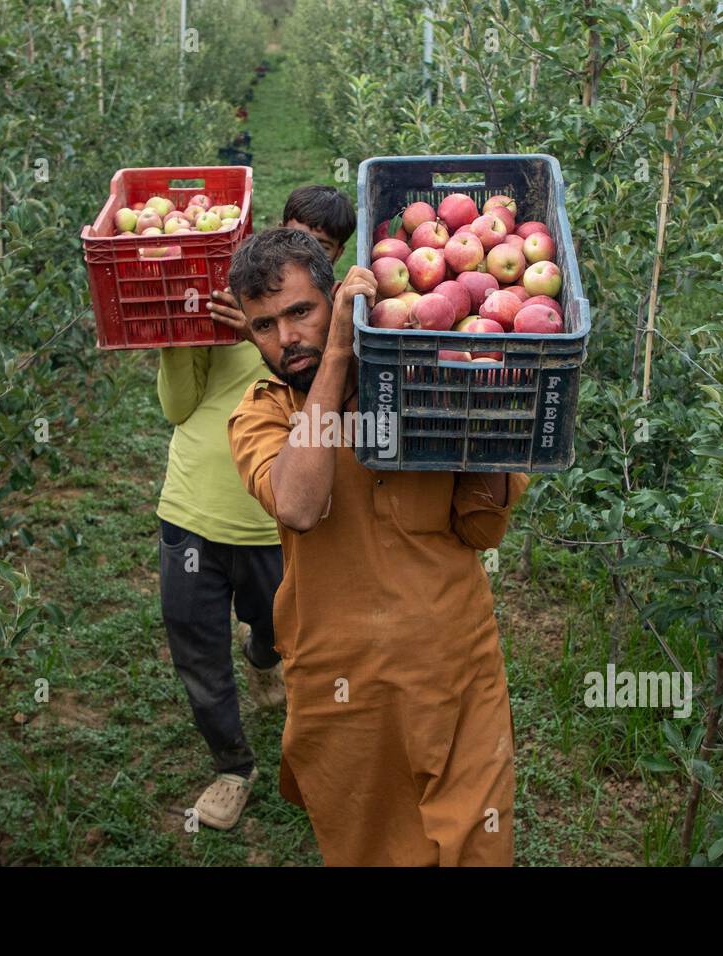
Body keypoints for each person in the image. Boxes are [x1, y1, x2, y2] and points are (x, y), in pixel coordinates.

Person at [225, 228, 529, 865]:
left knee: (480, 847)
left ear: (338, 295)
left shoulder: (417, 382)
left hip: (455, 670)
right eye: (264, 326)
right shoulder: (262, 416)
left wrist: (484, 416)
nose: (287, 339)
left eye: (301, 312)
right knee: (374, 850)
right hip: (345, 685)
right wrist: (337, 354)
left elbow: (482, 529)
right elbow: (302, 505)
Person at [156, 186, 355, 831]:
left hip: (269, 525)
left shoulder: (321, 343)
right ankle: (231, 766)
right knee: (194, 645)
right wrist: (180, 333)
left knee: (276, 634)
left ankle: (263, 657)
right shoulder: (231, 305)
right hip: (193, 507)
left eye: (318, 252)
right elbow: (177, 408)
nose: (280, 329)